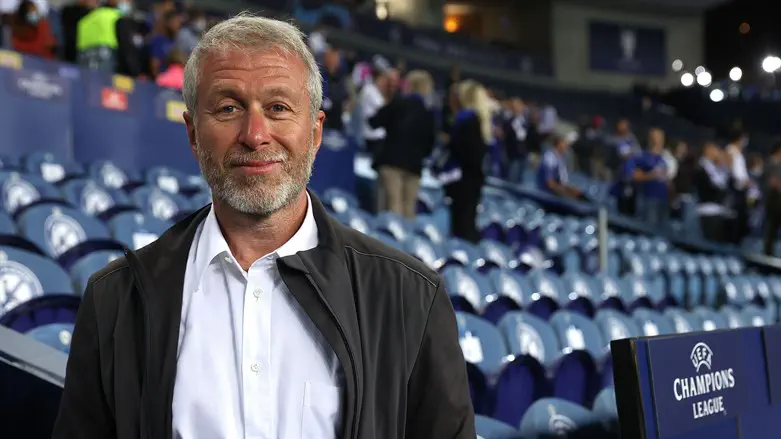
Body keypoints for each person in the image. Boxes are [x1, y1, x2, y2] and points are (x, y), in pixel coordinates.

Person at [52, 14, 475, 439]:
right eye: (228, 108)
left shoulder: (411, 298)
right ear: (194, 135)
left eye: (278, 108)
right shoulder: (115, 300)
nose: (255, 135)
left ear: (314, 133)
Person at [369, 69, 436, 219]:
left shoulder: (398, 103)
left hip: (391, 164)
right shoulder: (428, 114)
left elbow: (374, 121)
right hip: (414, 168)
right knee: (408, 211)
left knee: (391, 209)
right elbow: (429, 147)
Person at [443, 79, 491, 243]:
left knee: (462, 224)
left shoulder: (466, 120)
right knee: (468, 221)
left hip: (463, 180)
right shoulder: (480, 120)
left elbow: (461, 151)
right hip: (473, 180)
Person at [634, 128, 670, 229]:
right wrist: (652, 175)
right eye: (655, 137)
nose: (658, 140)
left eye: (660, 138)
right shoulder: (643, 156)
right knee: (650, 229)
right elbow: (636, 176)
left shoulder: (664, 158)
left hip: (663, 200)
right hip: (648, 199)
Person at [694, 142, 731, 243]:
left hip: (717, 210)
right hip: (707, 209)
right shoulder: (703, 167)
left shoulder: (715, 168)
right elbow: (713, 187)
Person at [537, 134, 583, 200]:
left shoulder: (560, 159)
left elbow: (563, 182)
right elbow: (550, 183)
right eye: (564, 144)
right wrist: (567, 192)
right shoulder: (550, 158)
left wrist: (572, 188)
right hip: (545, 192)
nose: (566, 146)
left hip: (555, 191)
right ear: (559, 145)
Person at [763, 142, 781, 255]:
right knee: (771, 230)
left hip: (775, 201)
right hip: (774, 201)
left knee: (772, 230)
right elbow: (773, 182)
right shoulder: (772, 163)